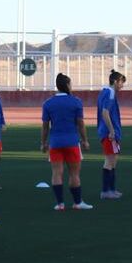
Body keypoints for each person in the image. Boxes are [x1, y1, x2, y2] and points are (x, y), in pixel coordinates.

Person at [41, 73, 92, 210]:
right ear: (68, 85)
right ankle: (77, 203)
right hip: (72, 142)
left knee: (57, 173)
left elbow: (45, 126)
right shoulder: (76, 102)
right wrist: (85, 140)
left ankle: (60, 204)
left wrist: (43, 143)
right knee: (74, 173)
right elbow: (80, 124)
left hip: (55, 142)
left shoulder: (48, 103)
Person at [97, 70, 126, 200]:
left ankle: (112, 189)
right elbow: (105, 112)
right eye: (121, 83)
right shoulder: (110, 93)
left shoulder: (105, 92)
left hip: (109, 132)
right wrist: (112, 131)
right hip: (109, 133)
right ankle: (105, 191)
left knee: (113, 161)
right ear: (115, 81)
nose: (122, 86)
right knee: (109, 161)